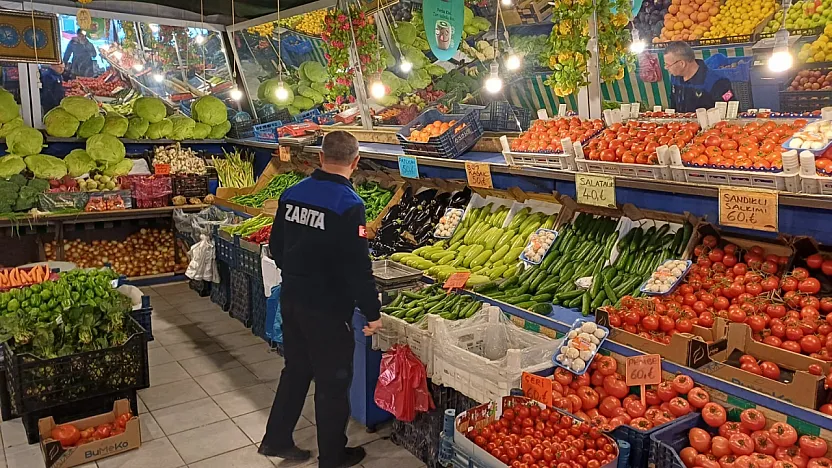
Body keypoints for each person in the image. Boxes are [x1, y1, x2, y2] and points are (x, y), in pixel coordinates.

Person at [260, 130, 382, 468]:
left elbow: (276, 247)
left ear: (320, 157)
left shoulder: (292, 193)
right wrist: (372, 313)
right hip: (327, 308)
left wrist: (298, 274)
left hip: (293, 297)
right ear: (355, 162)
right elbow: (358, 267)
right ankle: (332, 456)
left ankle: (276, 438)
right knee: (333, 381)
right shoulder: (349, 204)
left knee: (296, 370)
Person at [665, 41, 734, 113]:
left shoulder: (718, 82)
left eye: (668, 65)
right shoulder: (675, 78)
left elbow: (730, 112)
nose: (666, 68)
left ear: (682, 64)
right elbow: (673, 106)